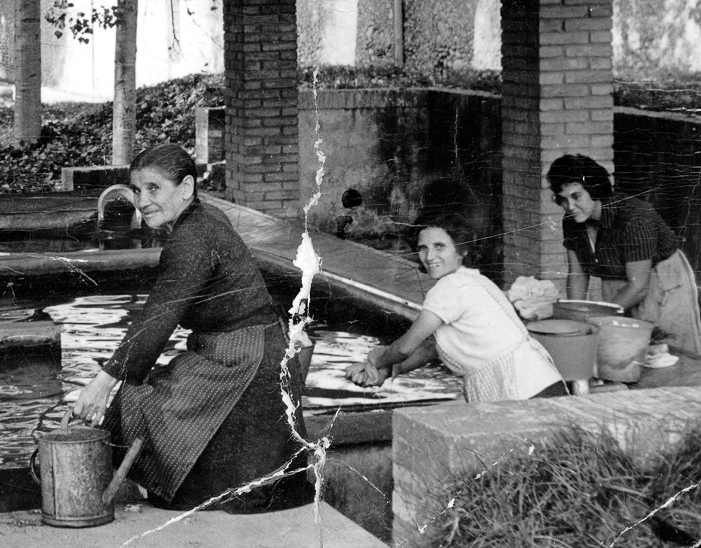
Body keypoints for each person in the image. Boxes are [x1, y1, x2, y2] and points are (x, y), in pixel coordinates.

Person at [72, 143, 310, 513]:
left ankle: (157, 490)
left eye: (154, 188)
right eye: (136, 190)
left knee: (141, 402)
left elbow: (158, 317)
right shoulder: (204, 217)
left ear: (185, 188)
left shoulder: (193, 237)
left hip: (245, 362)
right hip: (251, 352)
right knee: (142, 395)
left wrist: (102, 382)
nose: (142, 201)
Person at [345, 213, 567, 402]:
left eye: (439, 247)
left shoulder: (450, 287)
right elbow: (431, 349)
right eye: (423, 248)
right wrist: (389, 369)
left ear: (462, 250)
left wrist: (377, 360)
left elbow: (404, 348)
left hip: (523, 391)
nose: (429, 256)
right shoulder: (472, 279)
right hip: (541, 384)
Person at [547, 154, 701, 354]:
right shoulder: (572, 221)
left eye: (576, 196)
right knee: (621, 352)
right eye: (563, 199)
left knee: (668, 353)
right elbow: (578, 274)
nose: (570, 207)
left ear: (594, 188)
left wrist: (595, 321)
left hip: (661, 283)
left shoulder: (634, 219)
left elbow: (639, 285)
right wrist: (575, 319)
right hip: (619, 285)